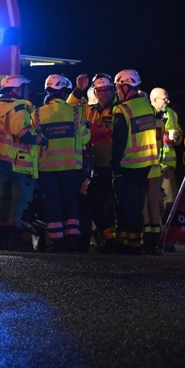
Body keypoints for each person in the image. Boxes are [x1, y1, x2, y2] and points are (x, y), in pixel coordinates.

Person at [0, 75, 38, 250]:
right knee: (19, 199)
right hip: (17, 161)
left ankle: (0, 235)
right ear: (16, 89)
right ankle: (15, 236)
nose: (27, 92)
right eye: (25, 88)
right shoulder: (19, 108)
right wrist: (43, 139)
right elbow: (23, 133)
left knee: (3, 199)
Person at [34, 75, 90, 252]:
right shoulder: (75, 112)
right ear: (65, 91)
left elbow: (33, 140)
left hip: (46, 166)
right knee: (70, 201)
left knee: (52, 202)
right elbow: (85, 138)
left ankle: (56, 241)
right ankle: (73, 240)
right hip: (70, 166)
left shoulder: (37, 113)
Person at [110, 69, 160, 254]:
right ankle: (128, 242)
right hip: (146, 164)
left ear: (125, 86)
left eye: (117, 87)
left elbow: (119, 142)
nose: (117, 91)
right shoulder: (149, 107)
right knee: (136, 204)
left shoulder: (122, 110)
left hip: (127, 164)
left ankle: (132, 245)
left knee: (126, 206)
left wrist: (114, 165)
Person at [71, 73, 118, 252]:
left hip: (113, 165)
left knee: (113, 206)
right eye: (99, 91)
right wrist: (78, 90)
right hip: (95, 167)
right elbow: (69, 109)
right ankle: (109, 239)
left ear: (113, 90)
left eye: (106, 90)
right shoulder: (90, 110)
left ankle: (116, 240)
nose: (103, 94)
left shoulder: (118, 110)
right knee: (94, 203)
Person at [150, 87, 182, 219]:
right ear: (155, 100)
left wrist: (177, 136)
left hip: (167, 167)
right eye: (165, 99)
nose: (168, 101)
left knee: (169, 201)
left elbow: (178, 138)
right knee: (152, 202)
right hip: (150, 166)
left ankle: (167, 232)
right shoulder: (146, 115)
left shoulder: (172, 115)